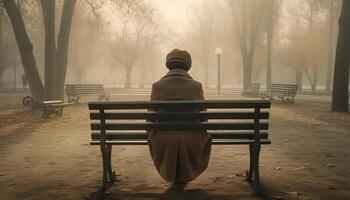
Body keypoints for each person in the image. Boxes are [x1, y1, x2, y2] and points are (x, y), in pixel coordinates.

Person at [148, 49, 212, 184]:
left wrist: (150, 133)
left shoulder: (157, 86)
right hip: (192, 139)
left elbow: (150, 118)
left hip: (163, 139)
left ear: (168, 64)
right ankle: (184, 174)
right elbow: (204, 117)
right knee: (197, 136)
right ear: (188, 65)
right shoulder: (196, 86)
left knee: (164, 137)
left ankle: (173, 174)